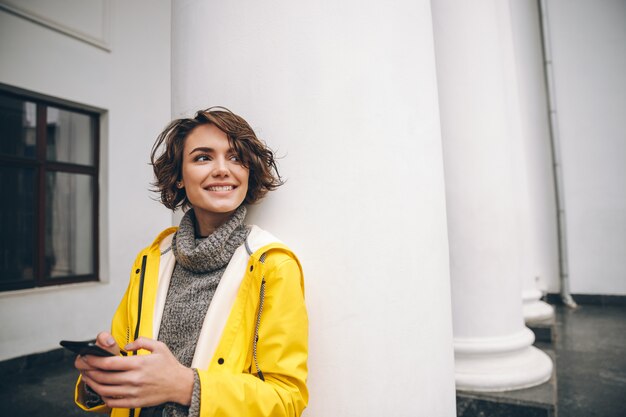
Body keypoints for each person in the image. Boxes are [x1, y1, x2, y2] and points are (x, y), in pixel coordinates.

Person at [73, 107, 308, 417]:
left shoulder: (272, 265)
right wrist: (103, 376)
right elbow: (129, 365)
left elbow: (286, 398)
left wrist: (186, 386)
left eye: (236, 157)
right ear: (179, 177)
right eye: (202, 157)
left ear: (249, 173)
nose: (223, 169)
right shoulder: (153, 258)